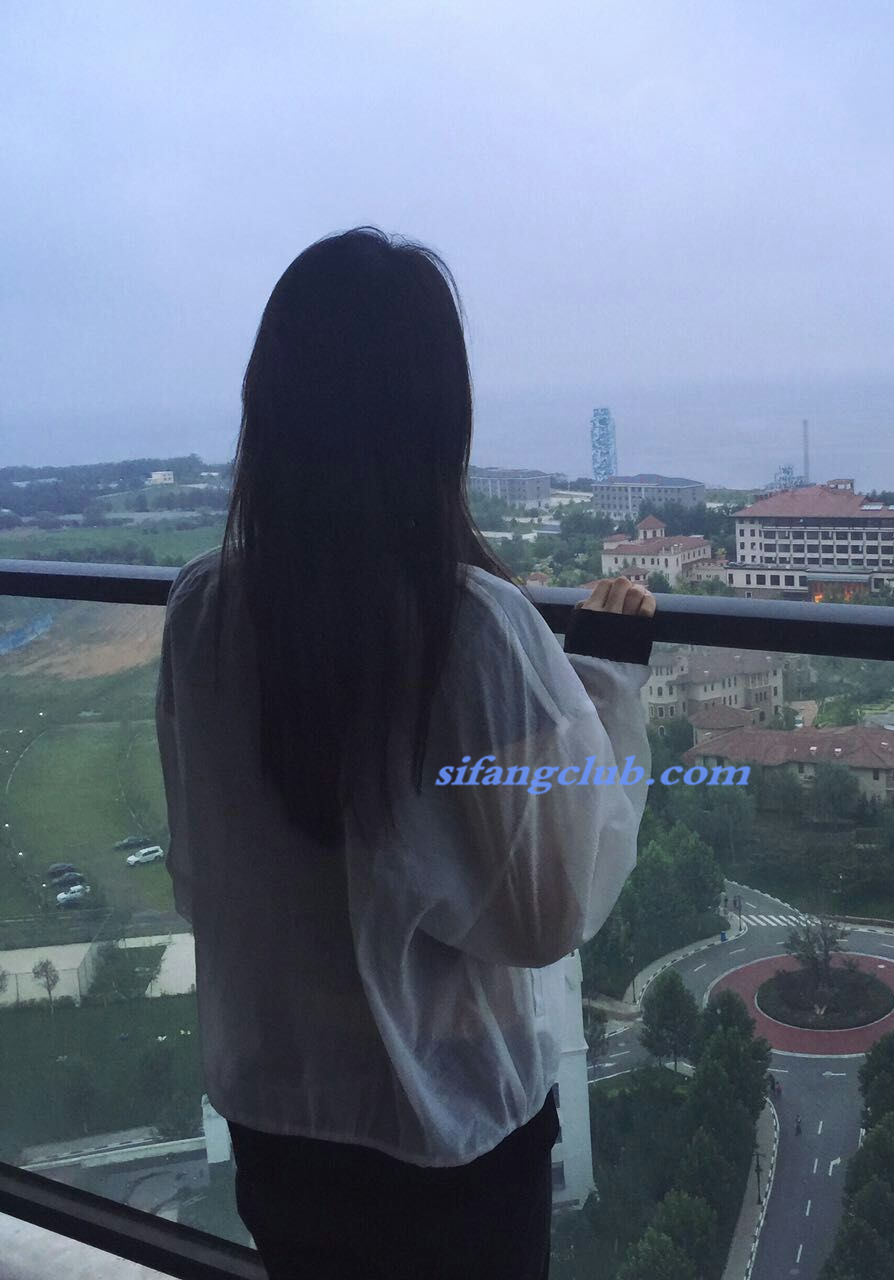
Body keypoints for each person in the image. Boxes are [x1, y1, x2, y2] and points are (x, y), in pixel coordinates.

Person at [156, 227, 657, 1280]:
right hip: (450, 1138)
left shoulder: (204, 609)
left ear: (268, 407)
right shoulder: (472, 629)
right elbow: (548, 907)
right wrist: (608, 677)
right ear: (439, 419)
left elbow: (204, 867)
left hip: (281, 1115)